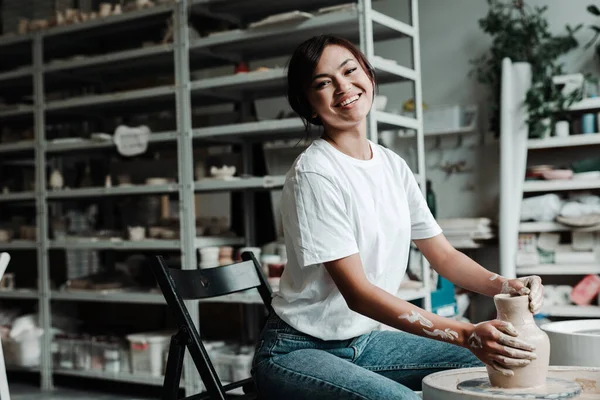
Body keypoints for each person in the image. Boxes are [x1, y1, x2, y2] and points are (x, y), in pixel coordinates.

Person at [251, 35, 544, 400]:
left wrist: (506, 285)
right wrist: (466, 333)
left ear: (369, 77)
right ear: (309, 106)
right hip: (298, 351)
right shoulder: (314, 174)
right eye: (323, 83)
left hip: (365, 342)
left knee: (507, 357)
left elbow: (444, 256)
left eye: (349, 71)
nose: (343, 87)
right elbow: (359, 294)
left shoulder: (391, 165)